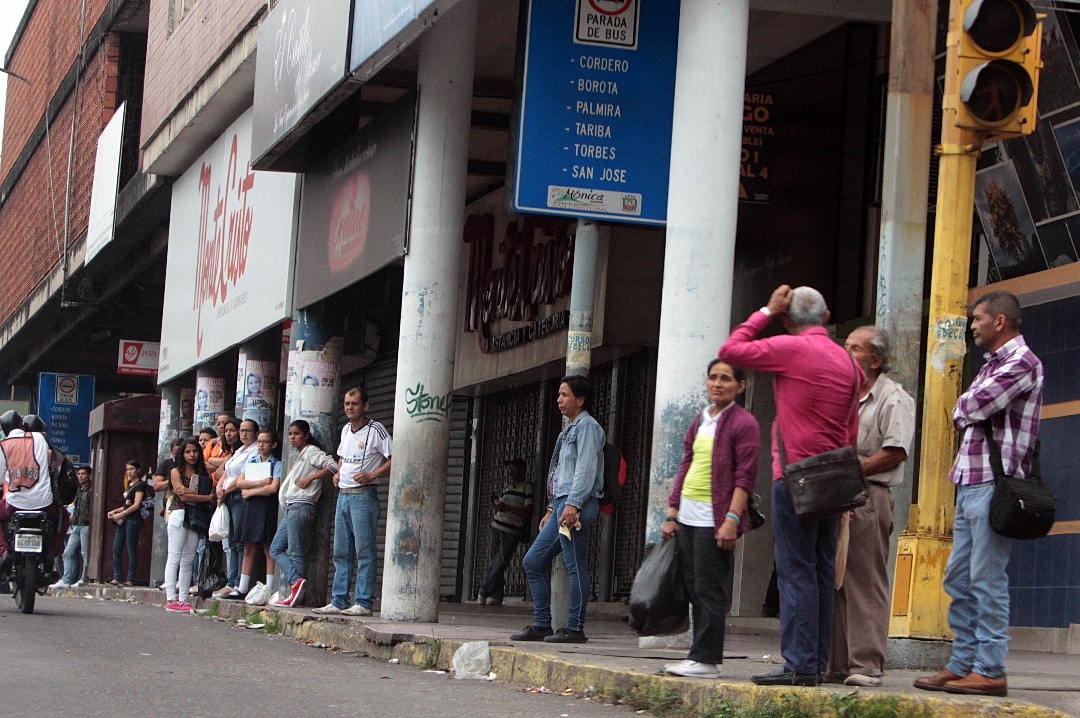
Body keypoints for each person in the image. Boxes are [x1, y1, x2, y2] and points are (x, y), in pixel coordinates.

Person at [719, 285, 861, 687]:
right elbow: (852, 428)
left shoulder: (791, 348)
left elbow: (731, 351)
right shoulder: (850, 364)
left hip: (796, 477)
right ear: (827, 316)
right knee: (820, 572)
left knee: (796, 571)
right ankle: (814, 663)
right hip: (835, 479)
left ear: (787, 319)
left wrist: (765, 309)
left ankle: (799, 664)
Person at [914, 291, 1043, 698]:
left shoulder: (1023, 362)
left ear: (1000, 321)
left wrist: (963, 406)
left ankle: (990, 669)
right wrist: (964, 406)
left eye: (978, 318)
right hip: (970, 480)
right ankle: (963, 664)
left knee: (987, 579)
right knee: (959, 576)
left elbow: (971, 407)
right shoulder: (992, 365)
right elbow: (964, 408)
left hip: (994, 483)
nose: (972, 325)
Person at [827, 327, 915, 688]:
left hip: (869, 495)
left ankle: (866, 664)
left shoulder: (894, 398)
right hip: (836, 494)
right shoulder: (844, 396)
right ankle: (836, 663)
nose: (845, 352)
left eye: (855, 348)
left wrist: (849, 468)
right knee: (835, 580)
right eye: (844, 346)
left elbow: (894, 451)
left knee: (865, 579)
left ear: (875, 360)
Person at [660, 360, 760, 679]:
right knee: (692, 586)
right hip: (688, 517)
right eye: (713, 377)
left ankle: (707, 659)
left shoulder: (744, 423)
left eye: (726, 379)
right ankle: (697, 655)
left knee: (710, 589)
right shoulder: (701, 419)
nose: (717, 383)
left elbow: (745, 476)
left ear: (739, 386)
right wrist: (673, 512)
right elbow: (686, 463)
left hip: (714, 519)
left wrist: (732, 519)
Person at [511, 375, 605, 644]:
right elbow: (561, 473)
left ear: (580, 399)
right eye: (559, 395)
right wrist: (553, 507)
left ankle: (574, 628)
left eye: (565, 395)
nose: (559, 400)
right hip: (564, 504)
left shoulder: (587, 428)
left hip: (577, 504)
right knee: (534, 561)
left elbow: (585, 470)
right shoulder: (570, 430)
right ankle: (542, 624)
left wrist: (572, 504)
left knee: (575, 563)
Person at [314, 387, 392, 616]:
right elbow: (342, 457)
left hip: (363, 496)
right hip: (344, 496)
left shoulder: (376, 430)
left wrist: (373, 475)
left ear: (365, 406)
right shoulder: (346, 430)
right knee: (341, 551)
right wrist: (338, 474)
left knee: (364, 551)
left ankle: (363, 602)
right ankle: (339, 600)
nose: (349, 408)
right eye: (347, 404)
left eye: (354, 404)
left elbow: (393, 458)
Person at [270, 419, 338, 608]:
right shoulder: (302, 455)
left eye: (296, 433)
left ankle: (296, 587)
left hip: (301, 506)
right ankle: (296, 583)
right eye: (290, 434)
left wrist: (311, 477)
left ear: (306, 435)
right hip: (292, 507)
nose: (292, 437)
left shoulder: (311, 452)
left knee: (296, 551)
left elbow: (333, 466)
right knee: (276, 548)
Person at [0, 410, 58, 576]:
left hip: (14, 504)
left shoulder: (3, 445)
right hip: (44, 503)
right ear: (22, 425)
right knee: (61, 518)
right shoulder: (40, 438)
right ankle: (51, 554)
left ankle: (4, 551)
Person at [233, 428, 282, 603]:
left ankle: (269, 588)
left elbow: (273, 488)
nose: (261, 445)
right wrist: (260, 482)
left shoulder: (277, 464)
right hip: (251, 507)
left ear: (273, 444)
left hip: (266, 506)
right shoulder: (252, 461)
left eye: (265, 441)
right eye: (259, 441)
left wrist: (251, 491)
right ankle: (242, 587)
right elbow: (240, 482)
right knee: (248, 547)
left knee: (268, 548)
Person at [164, 439, 212, 612]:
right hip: (179, 513)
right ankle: (171, 598)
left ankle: (183, 598)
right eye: (188, 452)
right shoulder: (176, 471)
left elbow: (200, 492)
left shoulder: (203, 473)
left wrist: (193, 492)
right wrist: (204, 496)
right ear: (181, 454)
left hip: (196, 517)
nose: (192, 455)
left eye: (195, 451)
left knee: (188, 559)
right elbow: (183, 496)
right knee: (174, 556)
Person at [477, 457, 533, 606]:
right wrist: (498, 505)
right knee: (495, 561)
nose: (510, 471)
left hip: (511, 530)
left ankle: (484, 590)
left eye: (513, 468)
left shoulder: (527, 487)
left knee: (500, 561)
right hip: (496, 526)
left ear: (521, 469)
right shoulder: (507, 486)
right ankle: (496, 596)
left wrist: (507, 508)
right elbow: (502, 505)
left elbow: (528, 511)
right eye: (509, 468)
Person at [214, 417, 256, 597]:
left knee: (239, 541)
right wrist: (219, 488)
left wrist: (226, 490)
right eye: (243, 430)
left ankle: (238, 581)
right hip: (227, 496)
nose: (244, 434)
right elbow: (226, 471)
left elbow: (242, 477)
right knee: (230, 540)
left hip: (239, 496)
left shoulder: (254, 452)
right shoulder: (239, 451)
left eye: (247, 430)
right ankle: (231, 580)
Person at [106, 460, 150, 586]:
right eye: (127, 469)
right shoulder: (129, 484)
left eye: (132, 469)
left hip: (134, 519)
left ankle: (130, 578)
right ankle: (117, 576)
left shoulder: (140, 485)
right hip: (124, 519)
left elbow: (136, 505)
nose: (129, 472)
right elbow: (126, 504)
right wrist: (115, 511)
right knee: (116, 547)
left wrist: (121, 514)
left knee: (131, 547)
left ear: (138, 470)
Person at [50, 464, 94, 589]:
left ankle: (84, 578)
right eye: (79, 474)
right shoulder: (79, 490)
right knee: (68, 552)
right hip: (76, 524)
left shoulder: (91, 490)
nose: (80, 476)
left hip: (86, 524)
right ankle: (67, 579)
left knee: (85, 553)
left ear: (89, 475)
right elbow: (76, 506)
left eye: (83, 474)